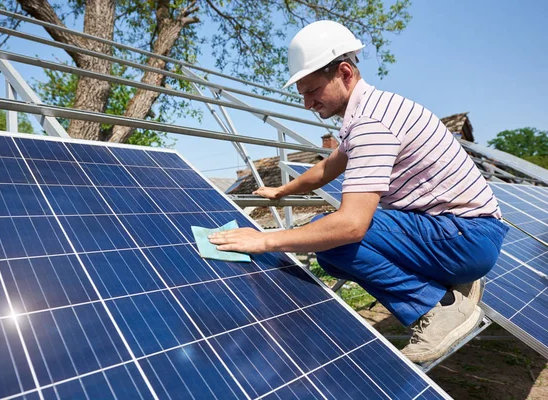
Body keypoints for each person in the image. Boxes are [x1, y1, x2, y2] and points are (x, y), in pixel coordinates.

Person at [208, 20, 509, 364]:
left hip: (463, 238)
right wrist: (281, 190)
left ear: (345, 73)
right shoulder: (373, 110)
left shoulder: (371, 125)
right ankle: (449, 283)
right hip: (466, 234)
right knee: (331, 241)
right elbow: (326, 167)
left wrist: (265, 240)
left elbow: (351, 225)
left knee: (333, 239)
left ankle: (440, 307)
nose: (307, 103)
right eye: (302, 93)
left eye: (312, 90)